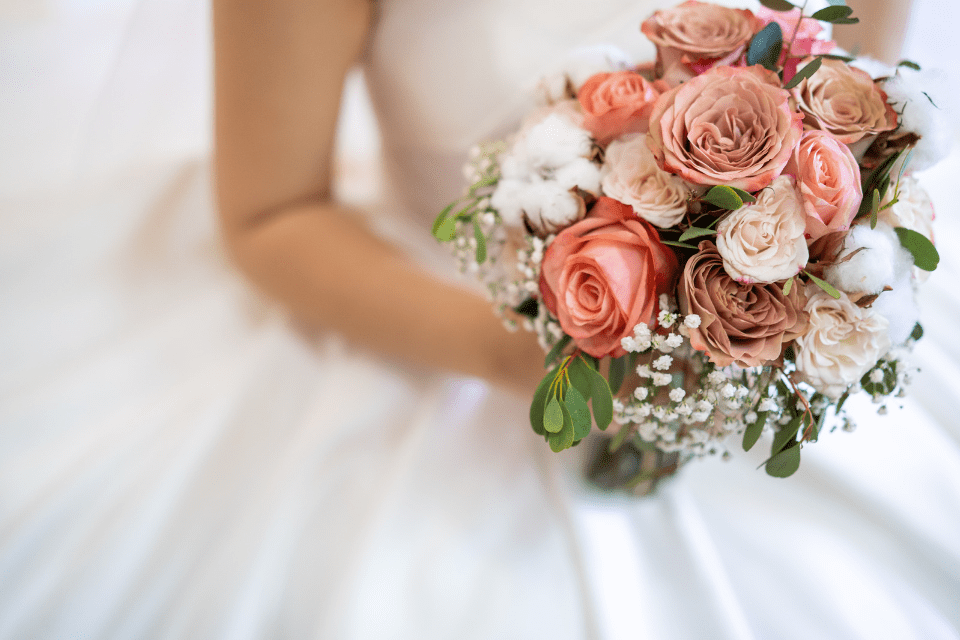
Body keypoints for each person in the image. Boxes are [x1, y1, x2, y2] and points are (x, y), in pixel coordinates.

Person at [2, 0, 958, 638]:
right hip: (448, 313)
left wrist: (773, 309)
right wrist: (550, 360)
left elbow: (865, 108)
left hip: (779, 346)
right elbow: (268, 213)